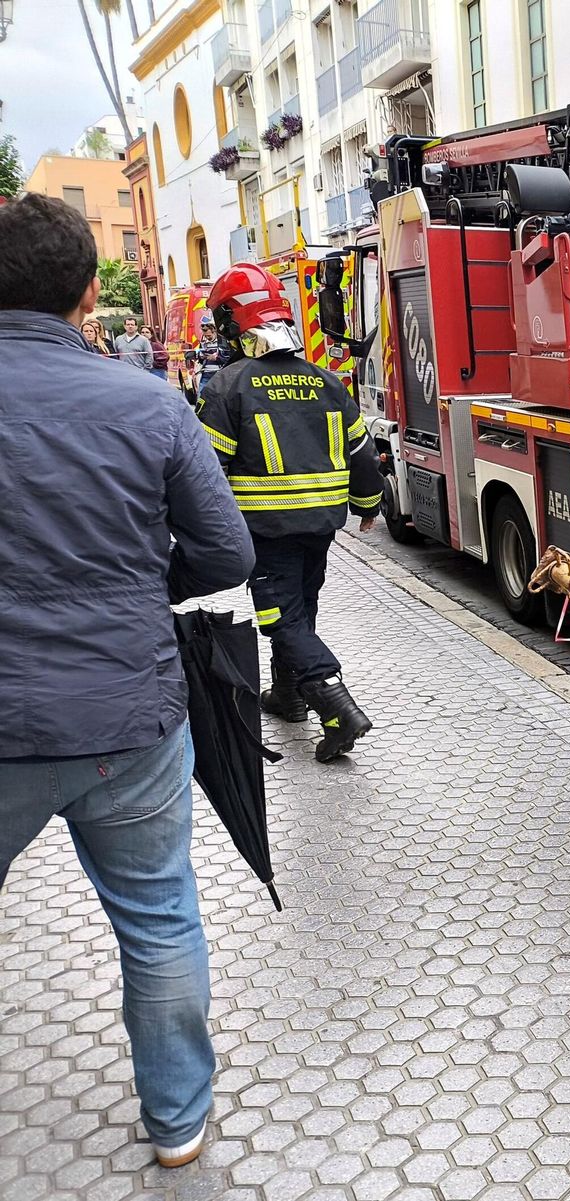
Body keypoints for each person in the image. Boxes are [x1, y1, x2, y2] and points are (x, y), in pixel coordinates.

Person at [0, 195, 254, 1168]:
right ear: (82, 294)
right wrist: (144, 589)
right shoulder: (148, 402)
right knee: (158, 919)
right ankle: (179, 1123)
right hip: (131, 721)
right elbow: (226, 553)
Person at [198, 262, 384, 763]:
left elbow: (206, 473)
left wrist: (199, 534)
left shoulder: (227, 387)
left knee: (282, 618)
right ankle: (288, 697)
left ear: (232, 326)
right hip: (322, 524)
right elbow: (362, 453)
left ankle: (336, 706)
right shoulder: (326, 382)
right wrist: (368, 505)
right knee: (301, 606)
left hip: (266, 530)